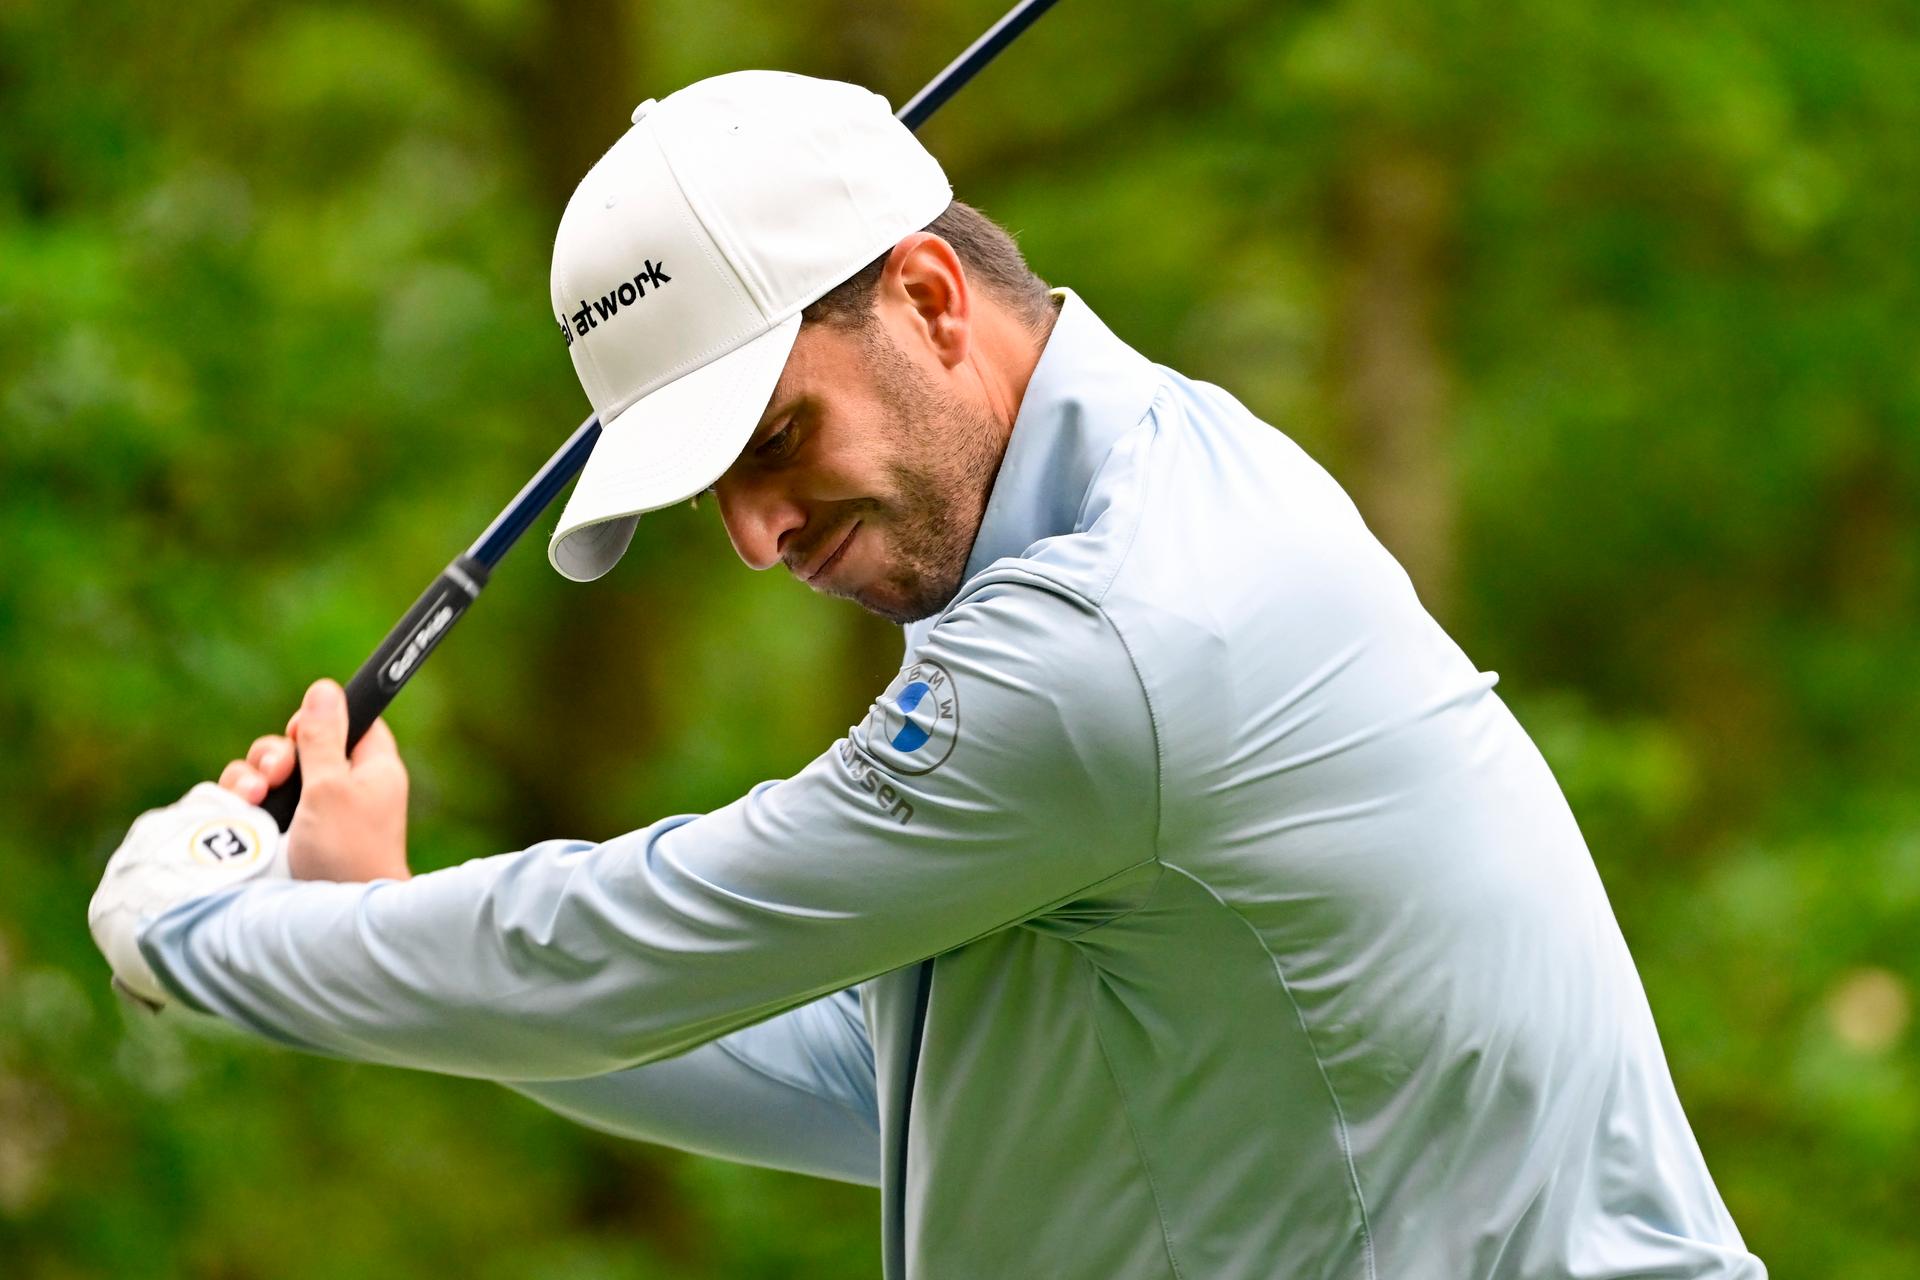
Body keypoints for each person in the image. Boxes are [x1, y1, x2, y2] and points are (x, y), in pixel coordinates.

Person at [88, 71, 1766, 1279]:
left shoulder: (1102, 648)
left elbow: (622, 953)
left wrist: (196, 934)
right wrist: (379, 917)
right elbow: (862, 1082)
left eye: (775, 441)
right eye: (708, 494)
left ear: (930, 295)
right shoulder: (1160, 473)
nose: (754, 537)